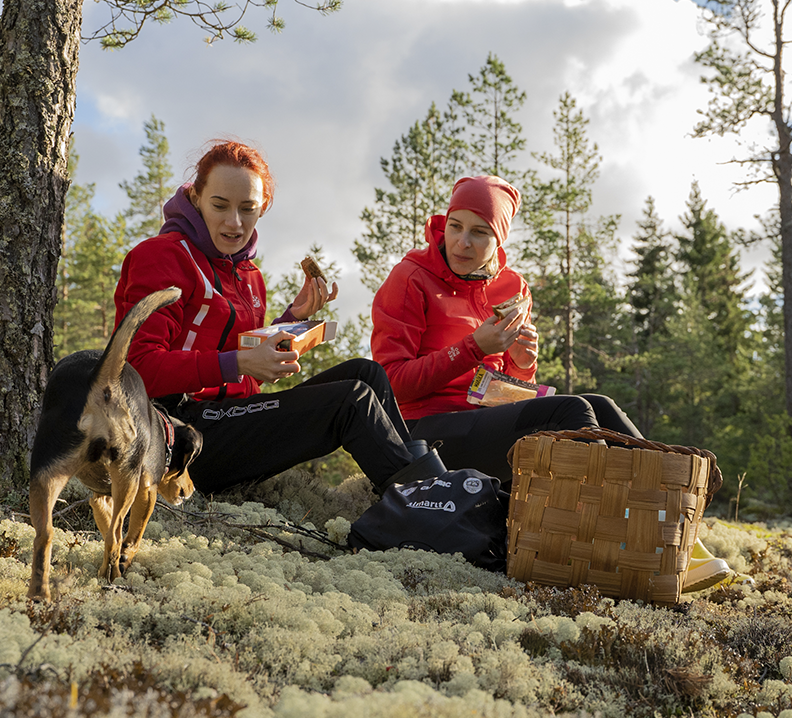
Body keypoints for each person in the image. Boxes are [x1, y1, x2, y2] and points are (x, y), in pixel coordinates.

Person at [113, 139, 438, 496]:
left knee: (367, 373)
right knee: (350, 400)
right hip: (172, 433)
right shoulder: (162, 257)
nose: (234, 222)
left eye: (248, 208)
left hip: (225, 420)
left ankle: (423, 485)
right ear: (195, 199)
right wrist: (237, 362)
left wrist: (291, 319)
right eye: (219, 205)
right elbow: (136, 369)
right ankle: (422, 504)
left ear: (262, 208)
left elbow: (246, 377)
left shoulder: (249, 275)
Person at [370, 175, 647, 487]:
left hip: (485, 420)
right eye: (455, 226)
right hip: (421, 431)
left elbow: (509, 392)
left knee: (601, 405)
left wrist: (521, 363)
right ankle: (614, 512)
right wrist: (472, 348)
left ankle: (667, 494)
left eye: (479, 232)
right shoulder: (410, 278)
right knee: (571, 410)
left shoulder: (512, 286)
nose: (462, 241)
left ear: (498, 239)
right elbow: (389, 385)